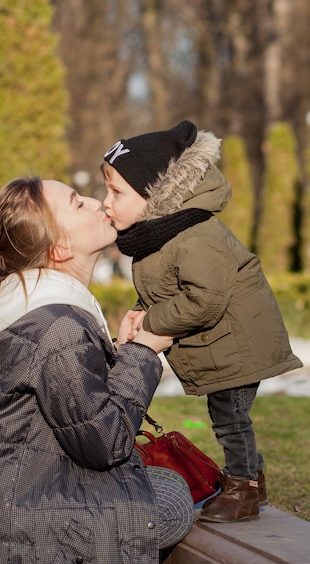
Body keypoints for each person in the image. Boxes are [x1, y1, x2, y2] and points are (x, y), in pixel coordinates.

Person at [0, 176, 195, 564]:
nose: (94, 202)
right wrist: (145, 353)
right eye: (77, 202)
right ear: (60, 250)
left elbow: (68, 408)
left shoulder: (26, 305)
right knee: (171, 498)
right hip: (14, 539)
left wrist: (121, 350)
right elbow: (103, 443)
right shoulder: (57, 326)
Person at [101, 120, 303, 524]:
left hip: (240, 344)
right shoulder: (164, 234)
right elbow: (168, 287)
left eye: (116, 192)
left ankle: (243, 488)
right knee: (227, 416)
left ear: (153, 195)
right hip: (225, 343)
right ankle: (252, 478)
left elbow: (205, 299)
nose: (105, 201)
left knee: (231, 419)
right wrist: (146, 310)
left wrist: (152, 319)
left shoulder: (194, 236)